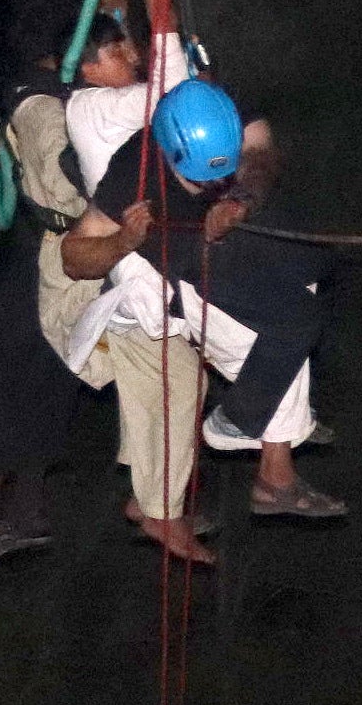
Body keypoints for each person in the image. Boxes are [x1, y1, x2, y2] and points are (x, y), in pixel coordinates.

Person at [63, 76, 343, 562]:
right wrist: (122, 243)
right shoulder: (135, 173)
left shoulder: (223, 107)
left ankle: (271, 429)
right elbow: (74, 256)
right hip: (191, 254)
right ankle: (234, 422)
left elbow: (262, 153)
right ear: (171, 153)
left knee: (316, 261)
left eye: (223, 172)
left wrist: (239, 200)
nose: (215, 184)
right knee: (297, 318)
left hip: (237, 229)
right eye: (203, 178)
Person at [0, 0, 127, 590]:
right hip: (47, 249)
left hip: (78, 252)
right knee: (13, 363)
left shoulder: (68, 91)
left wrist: (113, 1)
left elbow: (108, 66)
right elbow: (62, 175)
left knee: (57, 368)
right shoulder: (37, 100)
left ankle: (30, 506)